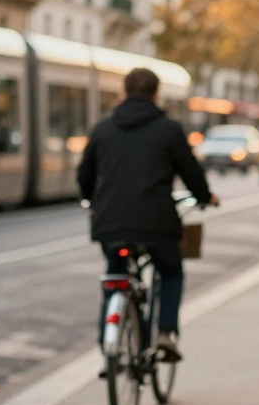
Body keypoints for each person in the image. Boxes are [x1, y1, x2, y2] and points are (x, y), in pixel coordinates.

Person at [77, 68, 217, 361]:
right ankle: (165, 332)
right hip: (156, 223)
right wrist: (205, 197)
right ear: (156, 94)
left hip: (110, 222)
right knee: (171, 270)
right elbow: (191, 172)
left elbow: (84, 175)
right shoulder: (168, 129)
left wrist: (92, 199)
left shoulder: (103, 128)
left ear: (124, 92)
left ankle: (108, 344)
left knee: (115, 276)